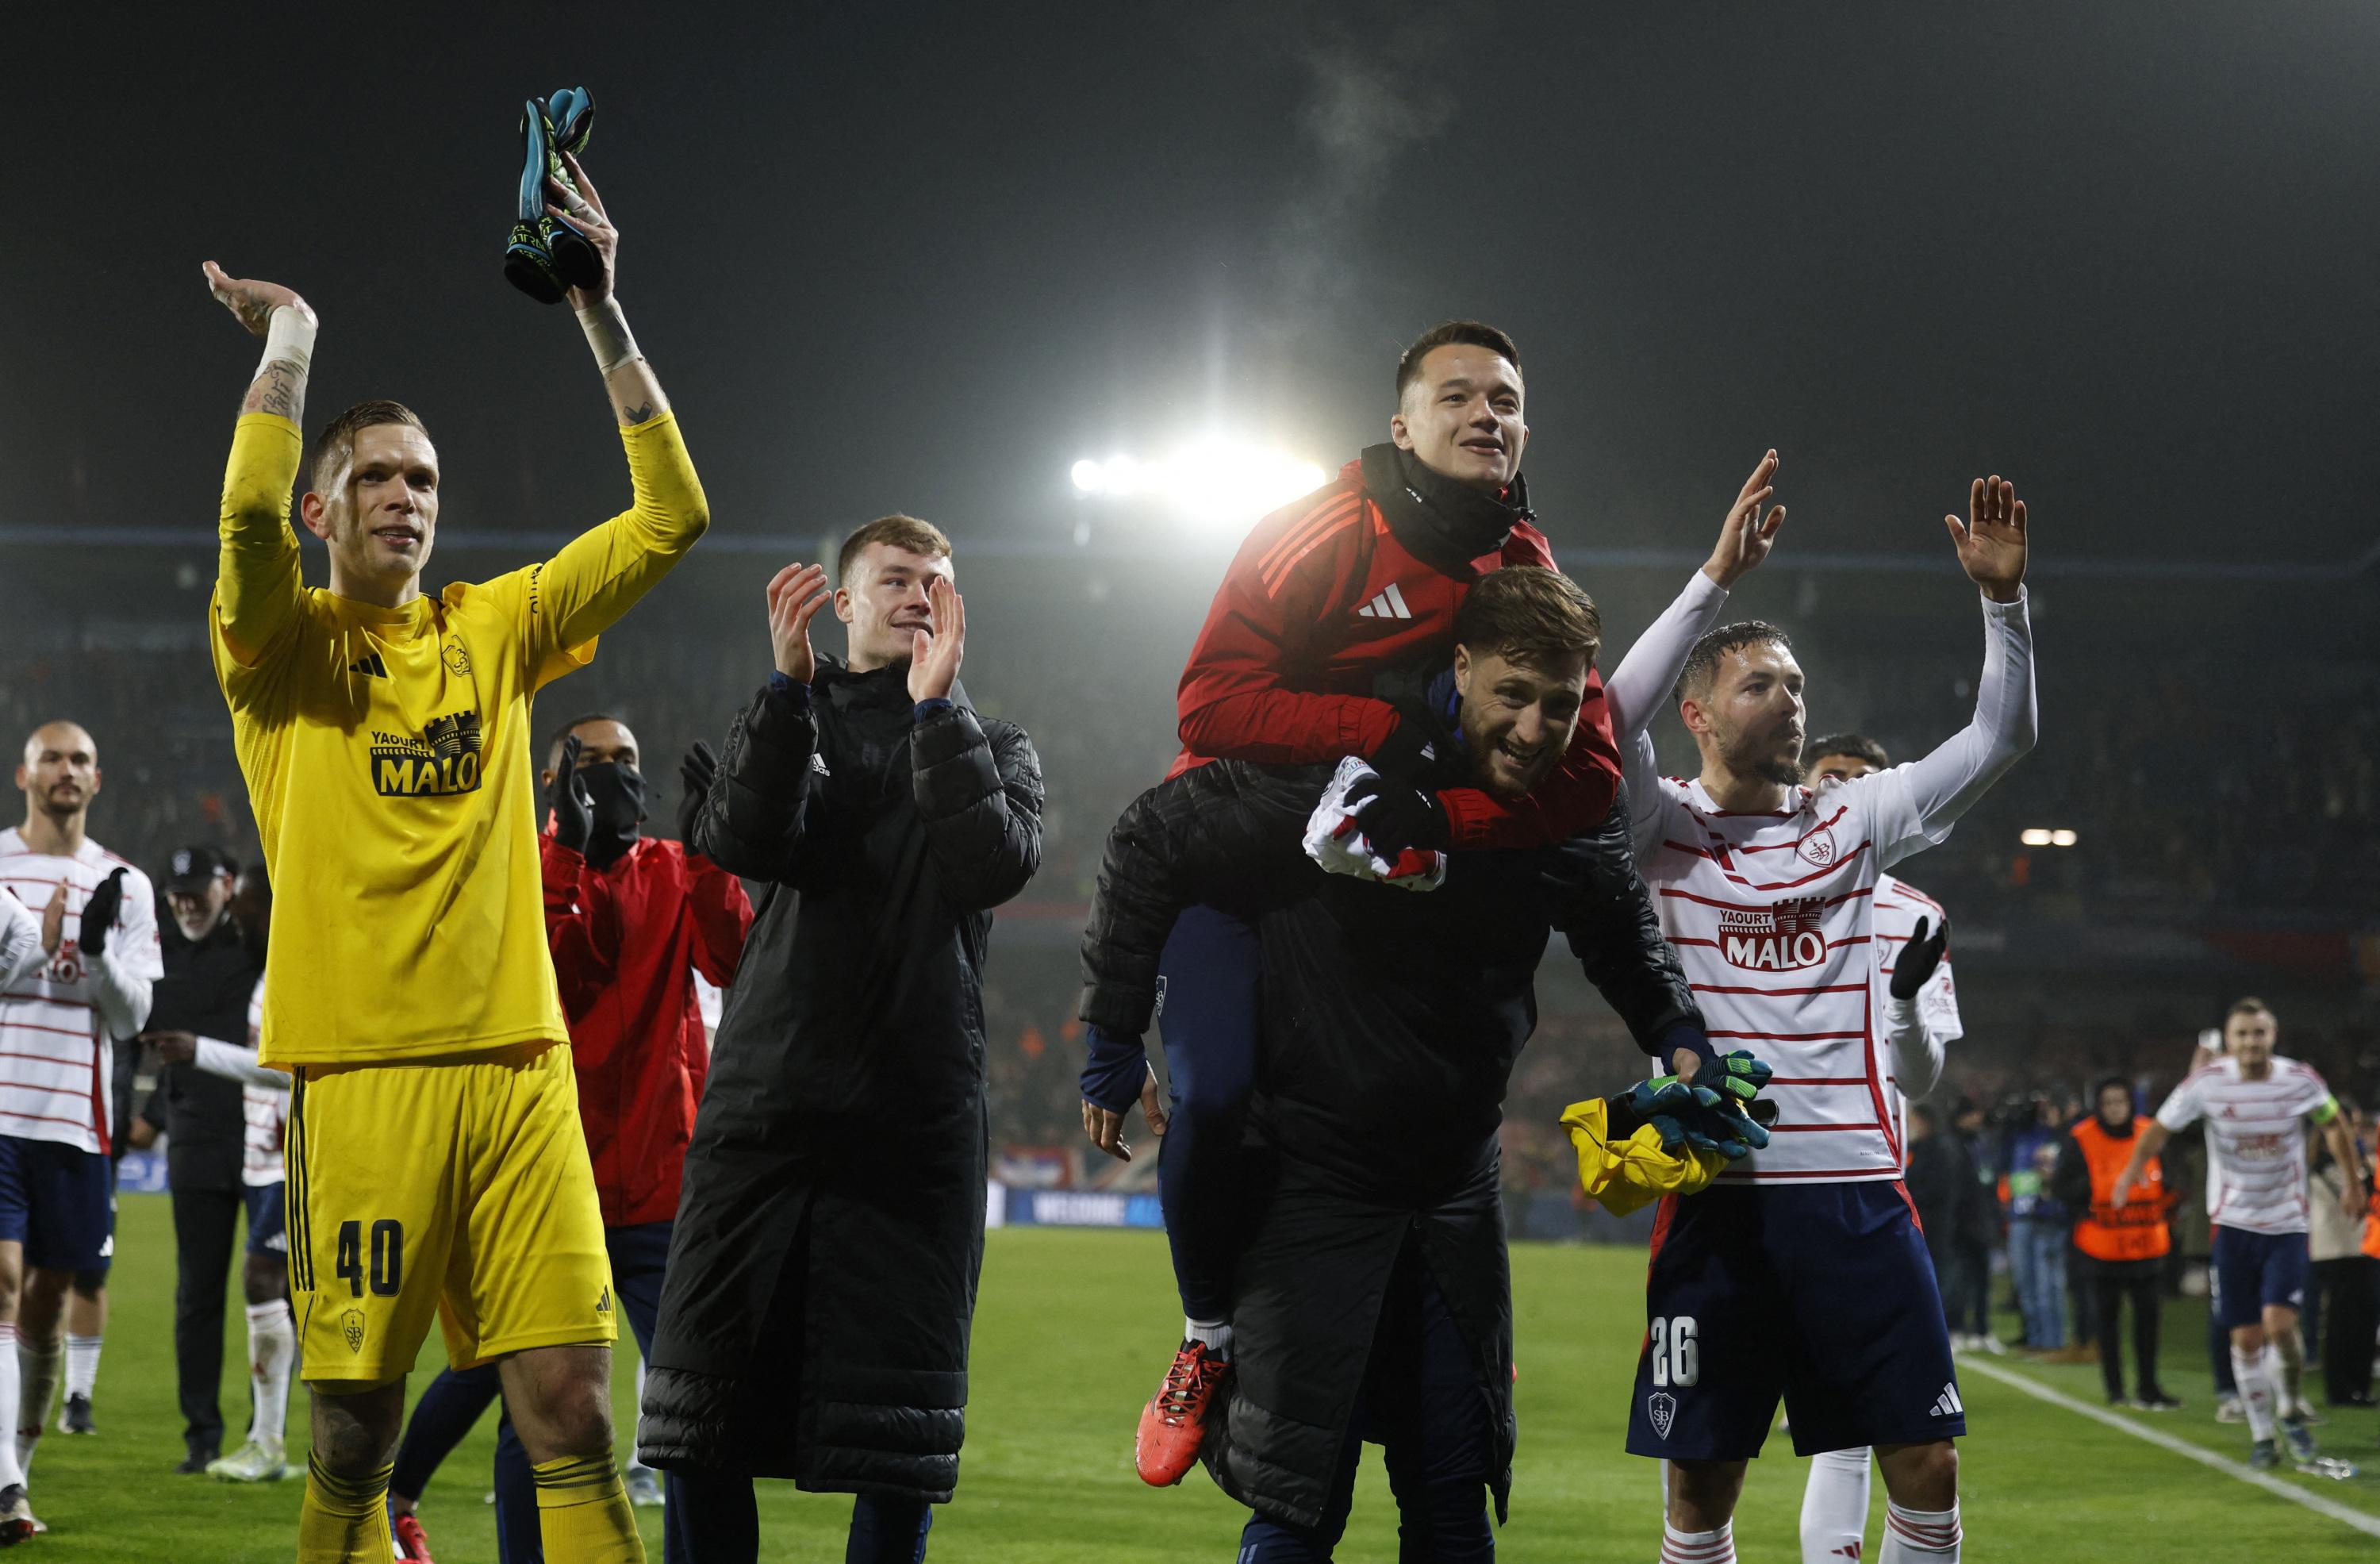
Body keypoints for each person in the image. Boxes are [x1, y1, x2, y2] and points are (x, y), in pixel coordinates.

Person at [1118, 317, 1777, 1485]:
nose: (1489, 415)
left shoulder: (1523, 561)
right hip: (1247, 847)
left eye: (1509, 400)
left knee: (1443, 1487)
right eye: (1459, 395)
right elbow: (1207, 704)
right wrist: (1390, 731)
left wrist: (1449, 824)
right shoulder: (1319, 530)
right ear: (1402, 425)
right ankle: (1206, 1331)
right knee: (1214, 1092)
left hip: (1386, 882)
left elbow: (1583, 763)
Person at [202, 133, 705, 1563]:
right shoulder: (280, 650)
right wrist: (291, 343)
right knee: (355, 1433)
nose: (407, 498)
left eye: (422, 478)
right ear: (324, 508)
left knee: (573, 1411)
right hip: (363, 1081)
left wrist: (599, 304)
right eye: (374, 479)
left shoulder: (499, 627)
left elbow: (675, 516)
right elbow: (243, 510)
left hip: (520, 1070)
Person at [1078, 565, 1741, 1560]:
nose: (1534, 727)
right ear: (1460, 667)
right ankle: (1201, 1332)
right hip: (1310, 1183)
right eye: (1512, 696)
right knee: (1301, 1502)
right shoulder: (1344, 764)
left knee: (1450, 1499)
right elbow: (1150, 836)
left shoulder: (1564, 805)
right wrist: (1111, 1034)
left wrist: (1679, 1035)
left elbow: (1619, 930)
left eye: (1561, 704)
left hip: (1453, 1194)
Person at [1599, 475, 2036, 1564]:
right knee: (1700, 1481)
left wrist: (2004, 604)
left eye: (1796, 682)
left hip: (1853, 1192)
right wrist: (1712, 582)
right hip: (1718, 1200)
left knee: (1926, 1463)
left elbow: (2001, 737)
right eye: (1759, 684)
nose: (1790, 698)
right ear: (1696, 713)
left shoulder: (1855, 822)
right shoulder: (1659, 827)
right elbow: (1604, 720)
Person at [639, 516, 1043, 1564]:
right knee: (699, 1422)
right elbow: (748, 839)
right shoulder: (782, 718)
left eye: (937, 582)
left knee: (896, 1446)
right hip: (763, 1116)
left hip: (912, 1130)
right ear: (843, 603)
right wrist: (785, 693)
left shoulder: (994, 745)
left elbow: (990, 865)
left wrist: (936, 711)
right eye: (895, 579)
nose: (918, 595)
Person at [386, 713, 750, 1564]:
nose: (619, 775)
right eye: (595, 763)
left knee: (693, 1408)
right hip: (551, 1186)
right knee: (536, 1411)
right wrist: (566, 860)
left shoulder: (670, 869)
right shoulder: (514, 868)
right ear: (555, 780)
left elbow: (734, 959)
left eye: (630, 759)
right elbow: (541, 979)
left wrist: (706, 850)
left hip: (664, 1187)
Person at [0, 721, 162, 1540]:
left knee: (49, 1301)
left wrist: (93, 952)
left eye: (82, 760)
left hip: (77, 1119)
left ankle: (16, 1468)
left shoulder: (125, 882)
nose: (68, 770)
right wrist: (35, 944)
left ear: (98, 781)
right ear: (24, 774)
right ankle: (3, 1485)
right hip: (0, 1108)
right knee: (1, 1280)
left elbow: (136, 1014)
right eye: (54, 758)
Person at [2113, 999, 2367, 1470]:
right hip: (2231, 1226)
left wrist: (2354, 1182)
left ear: (2274, 1036)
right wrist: (2130, 1173)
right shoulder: (2207, 1084)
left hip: (2287, 1224)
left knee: (2281, 1326)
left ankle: (2289, 1404)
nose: (2252, 1042)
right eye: (2243, 1034)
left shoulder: (2300, 1080)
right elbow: (2160, 1129)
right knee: (2246, 1340)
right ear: (2229, 1041)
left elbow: (2333, 1123)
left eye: (2260, 1033)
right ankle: (2263, 1433)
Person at [149, 861, 298, 1483]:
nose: (234, 912)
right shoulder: (271, 969)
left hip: (293, 1156)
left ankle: (273, 1441)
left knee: (265, 1279)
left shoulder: (296, 972)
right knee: (276, 1287)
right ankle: (275, 1441)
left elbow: (294, 1067)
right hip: (264, 1155)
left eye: (245, 901)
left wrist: (199, 1051)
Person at [123, 844, 263, 1472]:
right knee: (197, 1295)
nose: (185, 901)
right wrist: (148, 1117)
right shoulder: (156, 954)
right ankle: (202, 1433)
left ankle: (273, 1429)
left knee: (282, 1295)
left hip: (269, 1140)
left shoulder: (259, 944)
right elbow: (141, 1039)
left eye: (197, 889)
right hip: (196, 1142)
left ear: (227, 886)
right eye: (176, 890)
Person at [2050, 1077, 2177, 1409]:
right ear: (2098, 1105)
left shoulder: (2149, 1131)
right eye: (2108, 1102)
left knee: (2149, 1324)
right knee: (2107, 1323)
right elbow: (2062, 1188)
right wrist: (2097, 1189)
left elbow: (2173, 1179)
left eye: (2120, 1101)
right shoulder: (2081, 1138)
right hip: (2101, 1250)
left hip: (2147, 1246)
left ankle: (2149, 1387)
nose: (2115, 1109)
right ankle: (2116, 1389)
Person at [2305, 1105, 2372, 1409]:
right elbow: (2354, 1203)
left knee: (2363, 1319)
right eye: (2349, 1125)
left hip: (2359, 1247)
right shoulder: (2319, 1165)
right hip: (2333, 1249)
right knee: (2342, 1321)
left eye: (2356, 1126)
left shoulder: (2358, 1165)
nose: (2354, 1132)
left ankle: (2359, 1386)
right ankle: (2340, 1389)